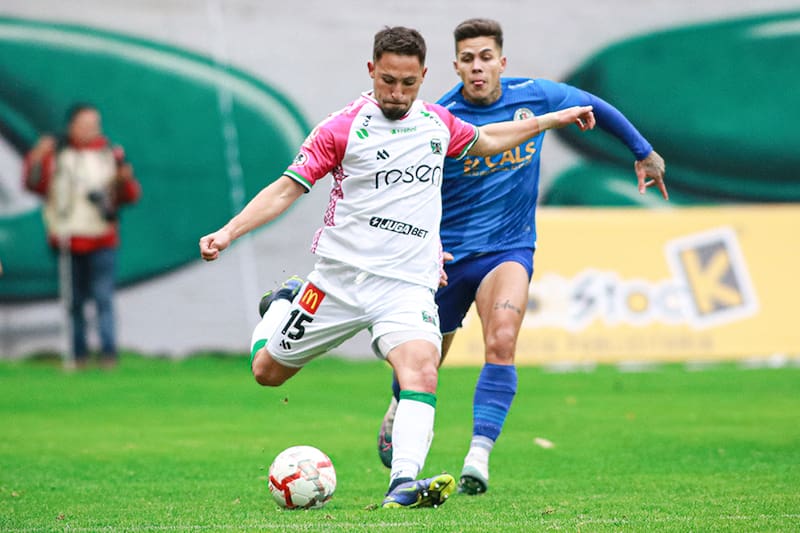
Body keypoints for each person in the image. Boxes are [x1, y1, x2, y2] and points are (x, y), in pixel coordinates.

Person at [199, 26, 595, 509]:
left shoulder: (437, 124)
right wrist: (229, 232)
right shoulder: (340, 128)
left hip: (407, 285)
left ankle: (403, 483)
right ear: (371, 71)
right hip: (338, 283)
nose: (397, 93)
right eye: (388, 81)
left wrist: (551, 120)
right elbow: (286, 188)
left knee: (422, 371)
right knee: (266, 372)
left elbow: (490, 138)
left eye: (408, 83)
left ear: (423, 76)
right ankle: (283, 304)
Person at [376, 18, 668, 495]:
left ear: (501, 62)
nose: (477, 67)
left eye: (486, 57)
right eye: (468, 59)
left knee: (503, 339)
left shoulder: (536, 95)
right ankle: (396, 407)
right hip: (447, 259)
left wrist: (642, 150)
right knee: (423, 364)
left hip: (508, 249)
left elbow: (594, 106)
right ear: (455, 66)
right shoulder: (439, 117)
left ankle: (478, 456)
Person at [24, 103, 141, 369]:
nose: (90, 129)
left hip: (101, 236)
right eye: (84, 124)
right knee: (73, 301)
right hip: (67, 236)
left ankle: (109, 354)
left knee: (103, 299)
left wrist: (123, 181)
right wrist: (37, 157)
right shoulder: (59, 155)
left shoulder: (110, 154)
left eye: (94, 124)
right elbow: (34, 184)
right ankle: (78, 355)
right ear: (71, 126)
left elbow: (130, 195)